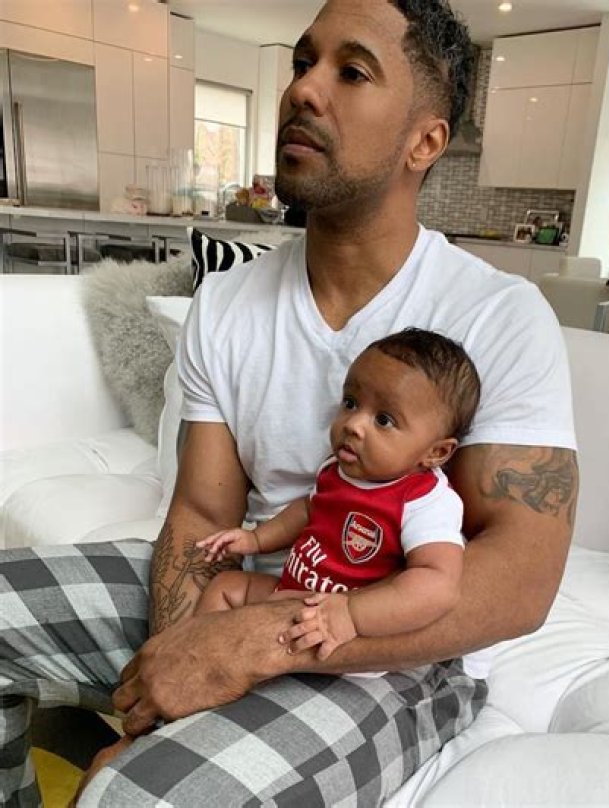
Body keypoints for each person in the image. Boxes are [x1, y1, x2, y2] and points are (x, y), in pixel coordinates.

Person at [0, 1, 579, 805]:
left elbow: (522, 580)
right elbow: (204, 514)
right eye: (304, 62)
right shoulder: (227, 303)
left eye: (352, 71)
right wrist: (181, 671)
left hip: (395, 648)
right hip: (255, 583)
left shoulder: (498, 316)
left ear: (424, 141)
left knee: (138, 797)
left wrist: (256, 643)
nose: (303, 89)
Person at [194, 328, 481, 660]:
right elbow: (309, 509)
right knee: (226, 587)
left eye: (384, 420)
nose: (353, 424)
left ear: (436, 452)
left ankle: (216, 662)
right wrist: (256, 540)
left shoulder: (424, 501)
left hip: (333, 622)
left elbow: (437, 584)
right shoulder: (337, 468)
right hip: (291, 590)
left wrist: (352, 614)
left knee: (265, 641)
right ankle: (193, 656)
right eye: (350, 403)